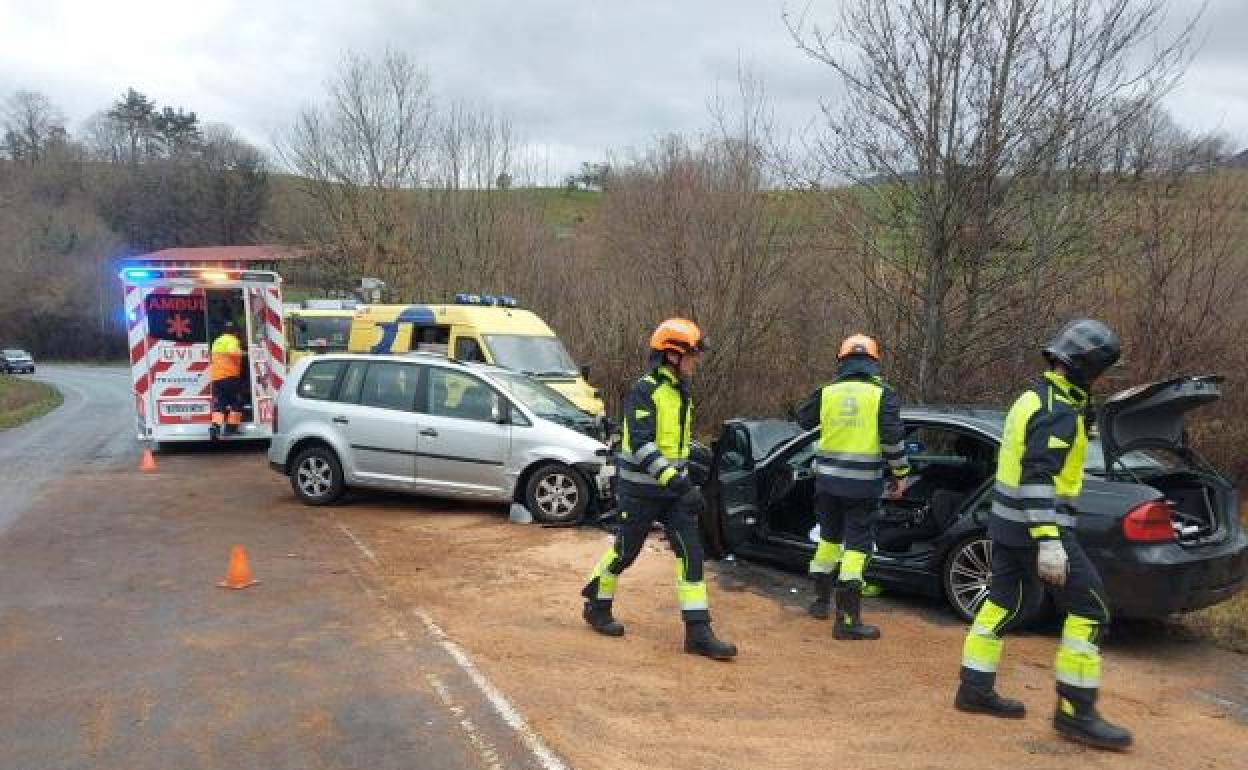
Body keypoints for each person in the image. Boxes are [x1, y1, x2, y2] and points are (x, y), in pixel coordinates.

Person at [955, 319, 1131, 751]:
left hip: (1008, 525)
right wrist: (1050, 540)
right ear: (1091, 368)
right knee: (1091, 610)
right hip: (1038, 528)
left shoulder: (1036, 396)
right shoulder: (1058, 410)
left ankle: (973, 689)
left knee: (1003, 603)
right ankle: (1076, 713)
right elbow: (1037, 477)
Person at [580, 318, 737, 660]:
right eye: (694, 355)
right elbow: (641, 444)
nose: (698, 361)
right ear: (672, 355)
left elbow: (673, 446)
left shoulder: (681, 392)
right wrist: (681, 484)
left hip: (673, 493)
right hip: (640, 492)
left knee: (691, 554)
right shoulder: (644, 390)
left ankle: (698, 631)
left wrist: (695, 463)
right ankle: (596, 600)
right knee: (626, 552)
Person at [795, 334, 909, 639]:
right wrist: (901, 473)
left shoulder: (827, 391)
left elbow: (803, 421)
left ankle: (820, 603)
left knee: (829, 540)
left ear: (842, 361)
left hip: (827, 483)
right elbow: (892, 441)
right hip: (862, 487)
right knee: (857, 547)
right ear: (873, 362)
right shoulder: (883, 394)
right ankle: (847, 622)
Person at [209, 320, 245, 439]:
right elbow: (233, 352)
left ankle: (215, 427)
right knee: (237, 401)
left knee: (221, 403)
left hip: (217, 377)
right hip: (229, 376)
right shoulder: (232, 340)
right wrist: (245, 353)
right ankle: (231, 428)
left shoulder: (217, 341)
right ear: (235, 332)